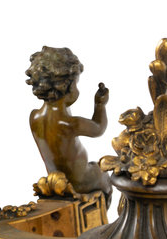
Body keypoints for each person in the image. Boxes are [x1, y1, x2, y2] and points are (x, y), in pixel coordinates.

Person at [26, 46, 111, 204]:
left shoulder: (34, 117)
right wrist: (100, 105)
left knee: (94, 166)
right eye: (76, 84)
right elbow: (99, 128)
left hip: (56, 181)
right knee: (105, 175)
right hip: (79, 182)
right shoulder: (69, 124)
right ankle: (99, 215)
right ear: (68, 86)